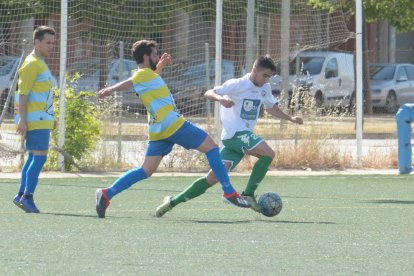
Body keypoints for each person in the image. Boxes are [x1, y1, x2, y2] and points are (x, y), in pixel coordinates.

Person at [95, 40, 249, 218]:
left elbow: (146, 78)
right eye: (154, 55)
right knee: (212, 147)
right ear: (145, 57)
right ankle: (229, 192)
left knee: (145, 170)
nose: (157, 57)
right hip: (172, 124)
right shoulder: (141, 74)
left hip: (158, 130)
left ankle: (107, 194)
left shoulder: (148, 76)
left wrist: (159, 65)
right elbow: (131, 81)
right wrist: (110, 90)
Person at [156, 55, 303, 217]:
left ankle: (171, 202)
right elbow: (209, 92)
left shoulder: (265, 88)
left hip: (238, 141)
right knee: (269, 153)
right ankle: (248, 193)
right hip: (236, 134)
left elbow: (271, 107)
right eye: (265, 76)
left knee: (212, 178)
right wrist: (221, 99)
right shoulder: (237, 84)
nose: (267, 80)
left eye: (269, 77)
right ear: (254, 69)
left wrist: (290, 118)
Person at [13, 26, 56, 213]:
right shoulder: (32, 63)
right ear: (36, 42)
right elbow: (23, 94)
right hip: (35, 120)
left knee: (33, 157)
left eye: (53, 43)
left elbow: (43, 95)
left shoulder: (39, 62)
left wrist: (50, 117)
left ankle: (21, 194)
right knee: (40, 158)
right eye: (47, 42)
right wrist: (22, 121)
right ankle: (27, 198)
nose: (51, 46)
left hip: (42, 118)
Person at [396, 103, 414, 174]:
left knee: (404, 144)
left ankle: (404, 167)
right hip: (405, 112)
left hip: (402, 112)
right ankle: (404, 168)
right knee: (404, 144)